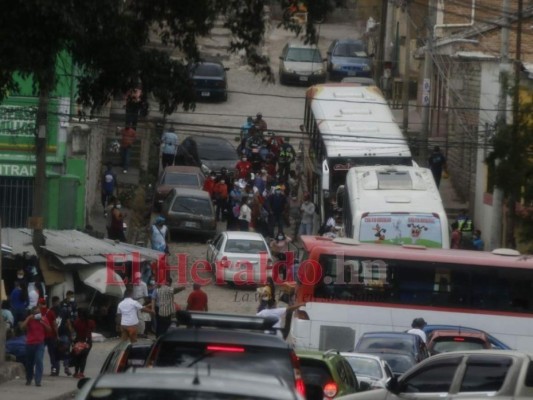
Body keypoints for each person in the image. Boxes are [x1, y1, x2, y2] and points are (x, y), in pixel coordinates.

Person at [21, 306, 52, 386]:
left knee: (39, 361)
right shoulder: (30, 319)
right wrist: (28, 319)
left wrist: (42, 322)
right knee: (29, 363)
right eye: (35, 313)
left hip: (40, 343)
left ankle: (38, 381)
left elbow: (49, 330)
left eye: (38, 312)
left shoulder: (44, 319)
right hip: (30, 344)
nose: (37, 314)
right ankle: (29, 378)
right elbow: (22, 327)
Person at [71, 308, 96, 379]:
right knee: (84, 358)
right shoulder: (91, 322)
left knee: (77, 357)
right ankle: (81, 372)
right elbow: (93, 329)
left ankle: (76, 372)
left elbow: (74, 329)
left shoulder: (76, 322)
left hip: (78, 341)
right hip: (87, 342)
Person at [39, 297, 59, 376]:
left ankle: (38, 369)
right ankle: (54, 369)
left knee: (39, 353)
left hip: (41, 336)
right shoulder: (51, 312)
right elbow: (54, 325)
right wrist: (57, 335)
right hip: (51, 336)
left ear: (40, 304)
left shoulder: (38, 313)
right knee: (52, 354)